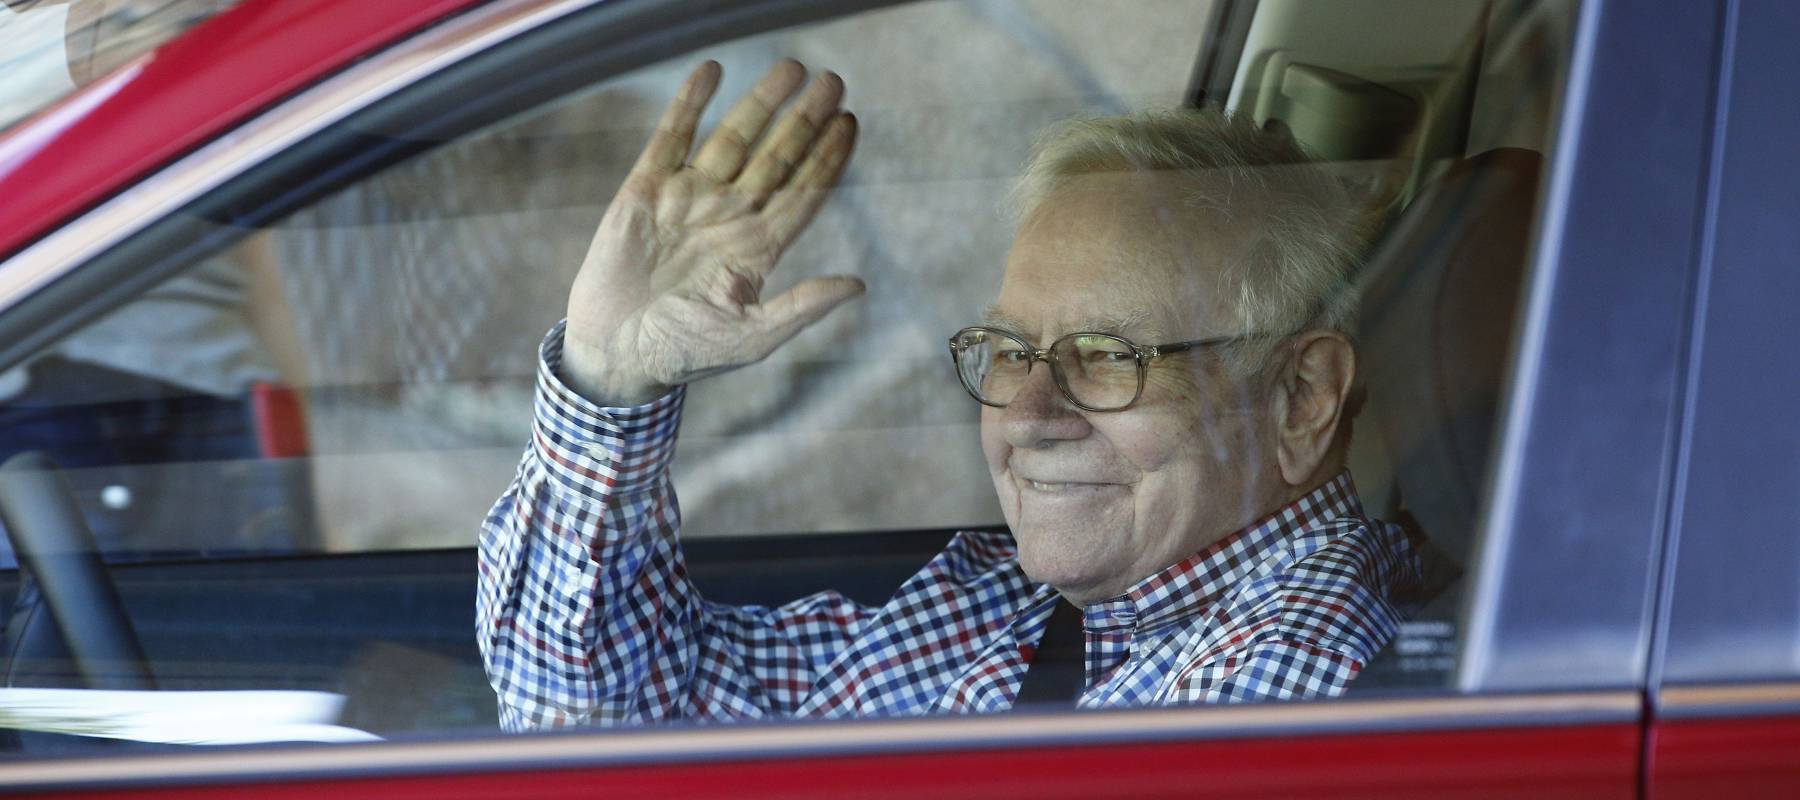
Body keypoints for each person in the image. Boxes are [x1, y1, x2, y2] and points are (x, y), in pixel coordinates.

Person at [477, 60, 1422, 730]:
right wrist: (609, 378)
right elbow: (599, 716)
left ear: (1302, 396)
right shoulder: (1020, 607)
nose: (1026, 413)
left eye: (1106, 355)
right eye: (1009, 349)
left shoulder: (1295, 667)